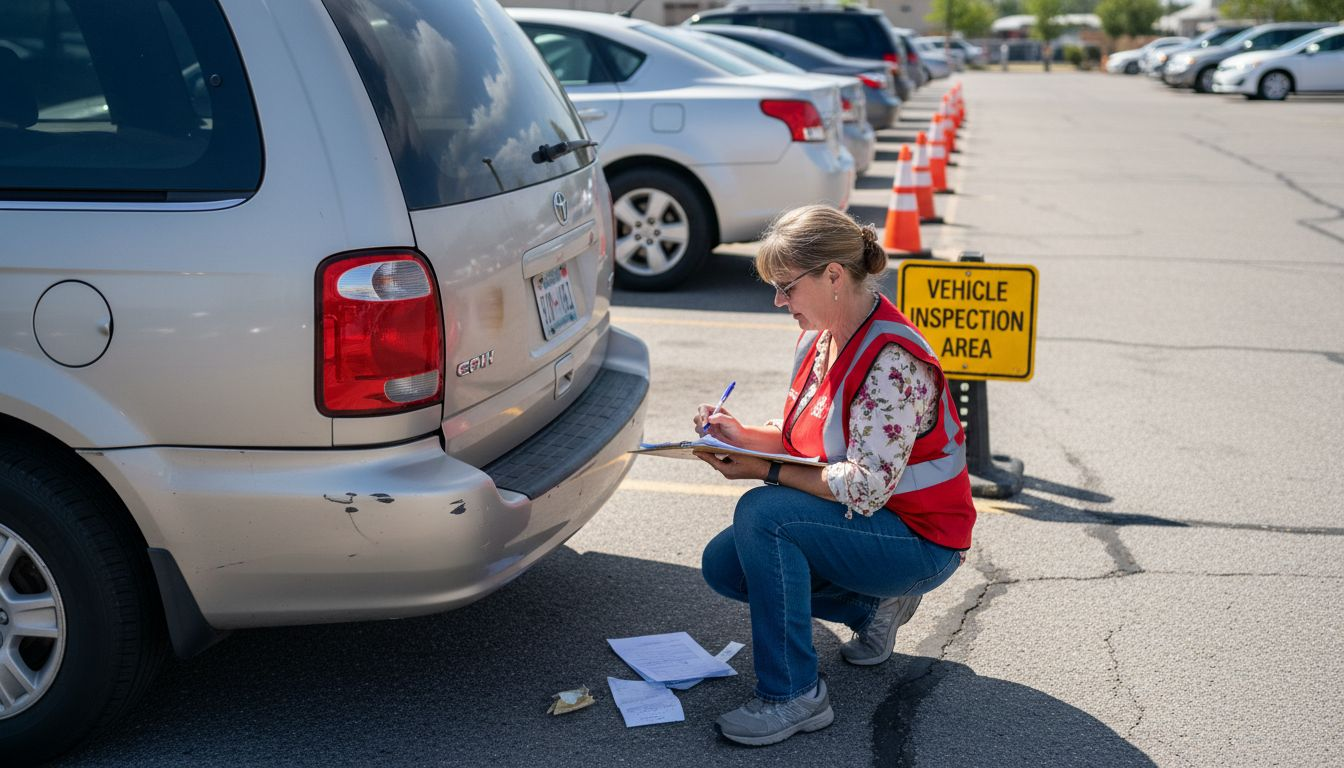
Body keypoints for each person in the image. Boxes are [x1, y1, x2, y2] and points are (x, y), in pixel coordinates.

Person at [693, 205, 976, 747]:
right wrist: (739, 435)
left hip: (922, 541)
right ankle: (873, 606)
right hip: (872, 525)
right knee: (726, 567)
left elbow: (866, 488)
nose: (778, 301)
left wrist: (764, 471)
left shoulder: (892, 361)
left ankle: (794, 696)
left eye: (786, 287)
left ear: (833, 276)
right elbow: (805, 436)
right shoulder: (819, 337)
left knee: (764, 514)